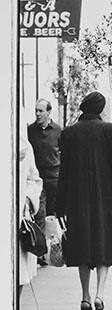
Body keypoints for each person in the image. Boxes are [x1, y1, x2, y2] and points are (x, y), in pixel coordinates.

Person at [56, 91, 112, 310]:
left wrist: (60, 206)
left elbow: (63, 172)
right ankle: (99, 294)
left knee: (83, 246)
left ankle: (85, 296)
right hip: (104, 198)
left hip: (77, 200)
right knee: (103, 246)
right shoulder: (109, 130)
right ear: (100, 109)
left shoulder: (68, 133)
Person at [27, 99, 61, 265]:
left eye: (41, 111)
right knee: (39, 214)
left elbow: (64, 153)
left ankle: (55, 251)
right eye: (36, 111)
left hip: (54, 177)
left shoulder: (58, 130)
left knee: (52, 216)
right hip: (38, 178)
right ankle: (40, 253)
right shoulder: (30, 131)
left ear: (49, 112)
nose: (38, 114)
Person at [19, 117, 43, 300]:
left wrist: (27, 198)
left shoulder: (25, 148)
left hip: (18, 218)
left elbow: (34, 179)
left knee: (19, 275)